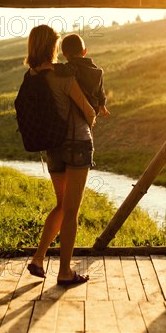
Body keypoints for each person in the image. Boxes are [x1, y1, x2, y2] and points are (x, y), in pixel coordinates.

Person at [25, 25, 96, 286]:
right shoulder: (62, 75)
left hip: (52, 148)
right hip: (77, 145)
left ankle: (38, 258)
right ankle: (65, 271)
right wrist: (93, 114)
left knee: (61, 204)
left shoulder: (31, 76)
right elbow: (88, 112)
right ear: (52, 48)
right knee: (71, 211)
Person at [47, 34, 110, 117]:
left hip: (81, 110)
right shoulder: (96, 70)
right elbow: (100, 90)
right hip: (94, 107)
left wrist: (50, 66)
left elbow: (63, 70)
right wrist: (102, 105)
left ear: (65, 55)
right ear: (85, 51)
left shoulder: (73, 68)